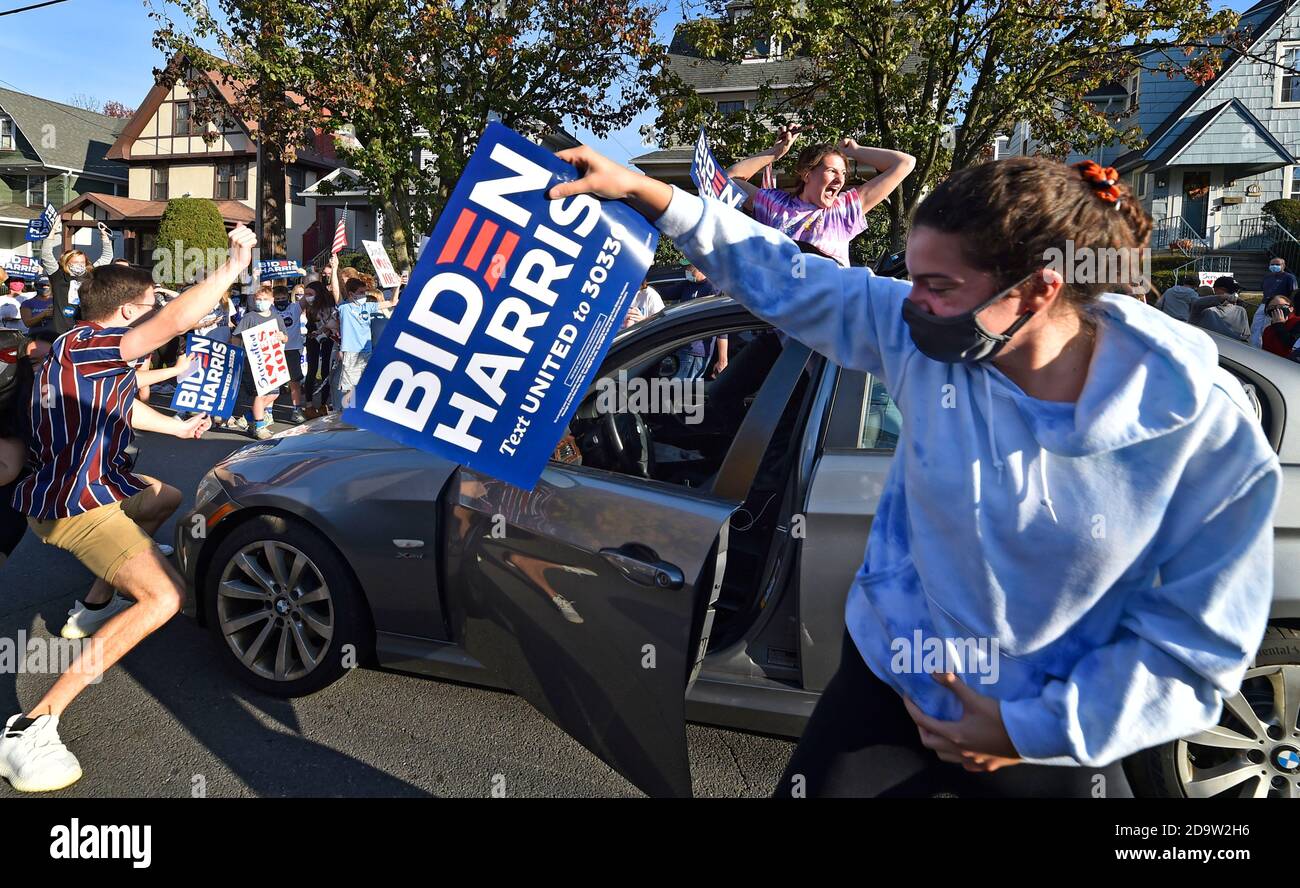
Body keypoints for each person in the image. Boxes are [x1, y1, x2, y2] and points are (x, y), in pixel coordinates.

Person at [549, 147, 1279, 798]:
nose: (914, 304)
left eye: (939, 286)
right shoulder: (920, 338)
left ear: (1037, 291)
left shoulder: (1202, 430)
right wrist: (649, 192)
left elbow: (1199, 645)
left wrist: (1029, 730)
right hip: (890, 683)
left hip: (1056, 720)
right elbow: (788, 276)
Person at [0, 226, 255, 792]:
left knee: (163, 496)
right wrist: (234, 263)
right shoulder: (91, 343)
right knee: (164, 596)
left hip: (102, 484)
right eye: (148, 303)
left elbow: (126, 410)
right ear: (125, 311)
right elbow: (178, 320)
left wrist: (180, 429)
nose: (155, 311)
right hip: (75, 504)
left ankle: (93, 605)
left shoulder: (85, 355)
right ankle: (33, 726)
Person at [726, 125, 915, 268]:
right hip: (782, 312)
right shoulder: (775, 204)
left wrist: (856, 151)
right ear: (807, 174)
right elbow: (727, 179)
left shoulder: (842, 210)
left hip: (829, 314)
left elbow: (905, 163)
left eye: (843, 173)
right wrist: (775, 153)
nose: (840, 179)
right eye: (832, 171)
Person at [232, 285, 291, 440]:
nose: (261, 302)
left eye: (265, 299)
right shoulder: (250, 317)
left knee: (274, 394)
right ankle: (259, 425)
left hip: (272, 361)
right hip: (254, 362)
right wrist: (237, 353)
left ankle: (249, 417)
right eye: (258, 299)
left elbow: (285, 337)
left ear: (271, 301)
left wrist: (281, 337)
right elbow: (236, 337)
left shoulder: (276, 317)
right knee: (261, 393)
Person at [39, 220, 115, 335]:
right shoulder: (58, 275)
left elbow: (107, 257)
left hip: (85, 326)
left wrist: (104, 237)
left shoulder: (90, 274)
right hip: (61, 328)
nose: (79, 265)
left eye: (82, 262)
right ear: (67, 263)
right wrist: (52, 231)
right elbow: (46, 255)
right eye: (75, 262)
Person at [333, 276, 383, 409]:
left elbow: (393, 302)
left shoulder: (368, 306)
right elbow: (336, 291)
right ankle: (346, 413)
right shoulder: (344, 307)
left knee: (366, 385)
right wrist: (334, 268)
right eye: (361, 292)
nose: (364, 295)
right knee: (350, 388)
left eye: (365, 292)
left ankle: (361, 412)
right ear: (351, 294)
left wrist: (396, 286)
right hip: (351, 352)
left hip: (366, 351)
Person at [271, 284, 307, 423]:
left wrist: (306, 276)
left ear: (288, 297)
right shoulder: (270, 309)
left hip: (292, 349)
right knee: (273, 383)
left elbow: (306, 296)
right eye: (278, 298)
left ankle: (296, 409)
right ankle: (268, 411)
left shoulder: (294, 307)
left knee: (294, 382)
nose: (280, 300)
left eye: (283, 297)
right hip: (275, 349)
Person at [302, 280, 336, 408]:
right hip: (312, 336)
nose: (307, 297)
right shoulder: (309, 305)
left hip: (328, 337)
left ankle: (323, 404)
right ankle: (309, 404)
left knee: (325, 371)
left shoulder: (329, 304)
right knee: (312, 370)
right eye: (306, 294)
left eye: (310, 294)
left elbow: (332, 322)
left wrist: (323, 333)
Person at [1254, 257, 1298, 347]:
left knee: (1268, 327)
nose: (1274, 266)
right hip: (1264, 304)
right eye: (1272, 264)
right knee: (1255, 326)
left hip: (1279, 307)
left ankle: (1265, 347)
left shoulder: (1289, 277)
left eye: (1277, 264)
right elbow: (1264, 290)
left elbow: (1293, 293)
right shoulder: (1267, 277)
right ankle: (1254, 346)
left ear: (1283, 266)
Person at [1190, 276, 1250, 342]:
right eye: (1230, 291)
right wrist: (1222, 297)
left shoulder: (1241, 311)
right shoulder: (1204, 309)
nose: (1235, 294)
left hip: (1232, 350)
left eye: (1237, 291)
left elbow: (1245, 337)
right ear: (1216, 290)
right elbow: (1197, 303)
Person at [1260, 294, 1300, 359]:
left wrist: (1279, 325)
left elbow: (1292, 345)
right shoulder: (1268, 329)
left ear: (1291, 308)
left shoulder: (1297, 322)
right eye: (1272, 307)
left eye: (1281, 306)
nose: (1276, 309)